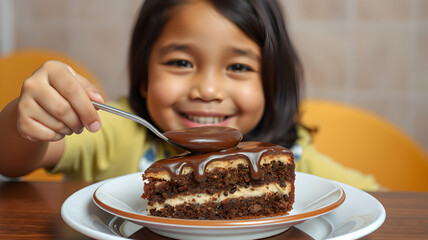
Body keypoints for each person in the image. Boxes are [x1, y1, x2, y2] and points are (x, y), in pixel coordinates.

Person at [0, 0, 379, 190]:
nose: (208, 90)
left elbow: (379, 201)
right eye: (181, 63)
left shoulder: (289, 158)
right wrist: (29, 120)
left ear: (270, 83)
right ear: (144, 77)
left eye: (239, 67)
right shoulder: (110, 132)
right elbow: (10, 159)